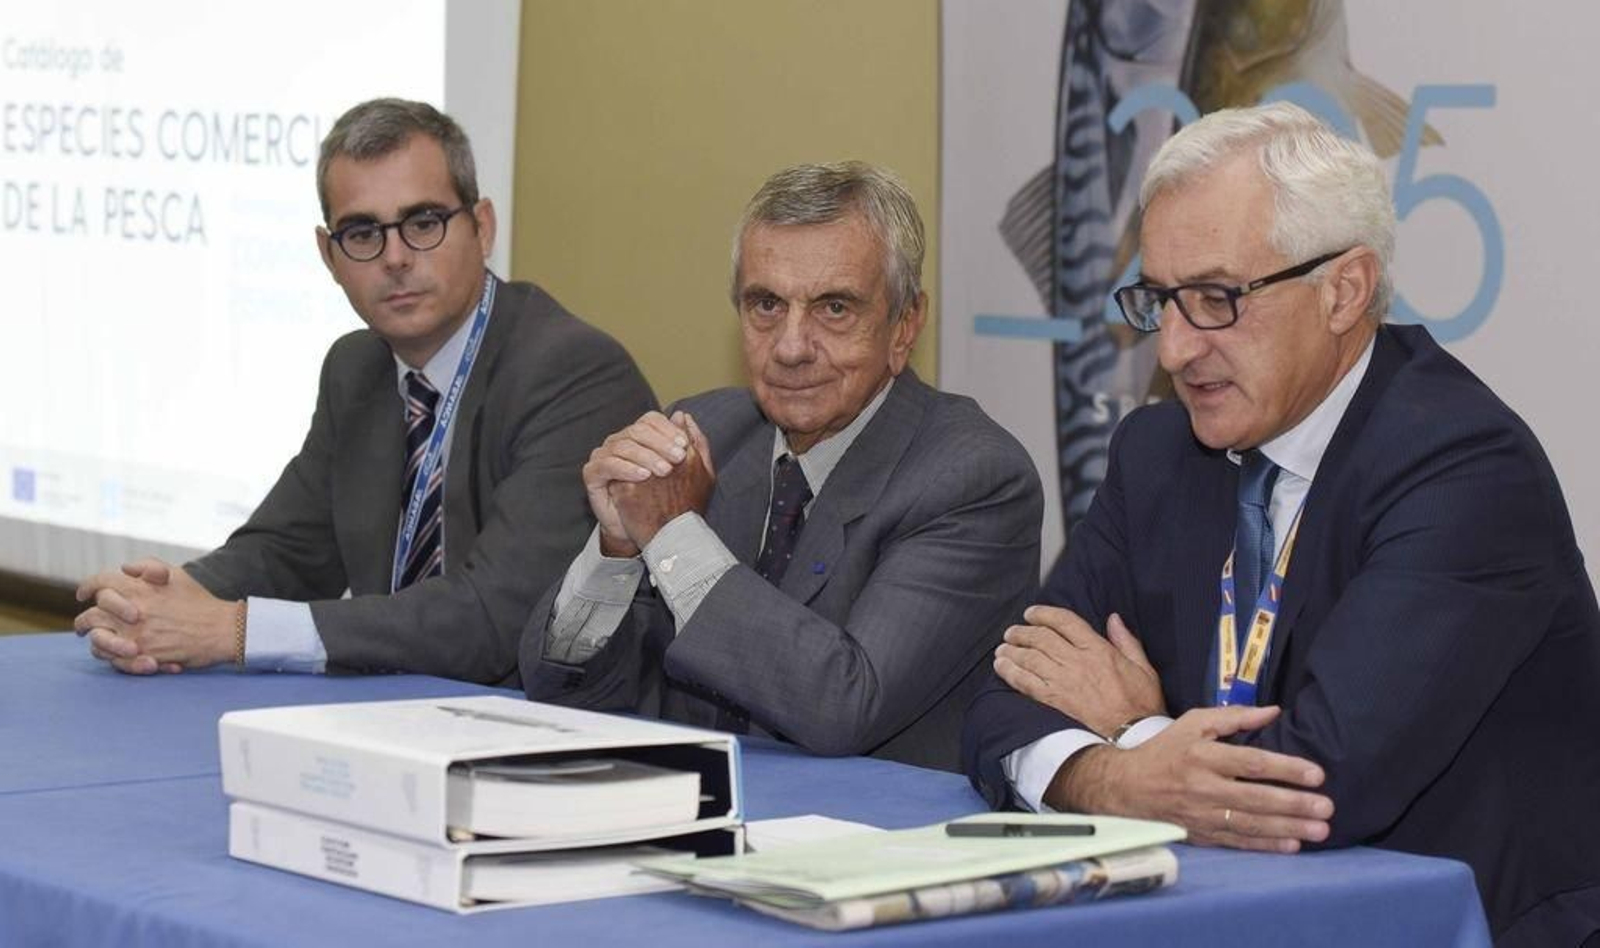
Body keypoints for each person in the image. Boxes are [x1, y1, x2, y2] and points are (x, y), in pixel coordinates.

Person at [963, 102, 1600, 946]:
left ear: (1345, 290)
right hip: (1225, 912)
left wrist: (1131, 730)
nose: (1174, 351)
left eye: (1217, 299)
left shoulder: (1465, 468)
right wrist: (1126, 777)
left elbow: (1317, 783)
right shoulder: (1157, 452)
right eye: (1161, 301)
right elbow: (1010, 694)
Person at [73, 98, 653, 685]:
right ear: (329, 255)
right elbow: (289, 550)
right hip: (388, 717)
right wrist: (162, 598)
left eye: (423, 223)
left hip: (536, 730)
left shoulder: (572, 373)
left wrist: (233, 631)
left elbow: (495, 619)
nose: (395, 258)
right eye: (362, 233)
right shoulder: (357, 367)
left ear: (482, 228)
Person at [519, 161, 1042, 771]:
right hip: (697, 820)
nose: (791, 347)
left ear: (904, 327)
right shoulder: (706, 434)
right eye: (766, 304)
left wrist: (670, 536)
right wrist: (615, 549)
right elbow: (563, 688)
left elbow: (843, 704)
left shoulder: (974, 477)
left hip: (876, 840)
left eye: (834, 309)